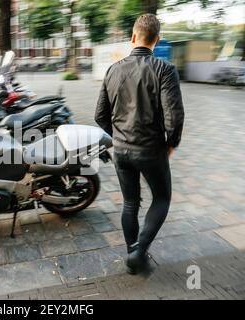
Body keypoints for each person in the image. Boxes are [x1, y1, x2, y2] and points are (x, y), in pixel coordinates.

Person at [94, 13, 185, 274]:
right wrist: (171, 145)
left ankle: (132, 250)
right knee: (162, 198)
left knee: (130, 203)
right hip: (151, 150)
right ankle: (139, 251)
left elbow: (100, 115)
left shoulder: (113, 70)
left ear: (133, 37)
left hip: (121, 152)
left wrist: (120, 137)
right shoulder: (164, 70)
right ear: (157, 39)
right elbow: (174, 117)